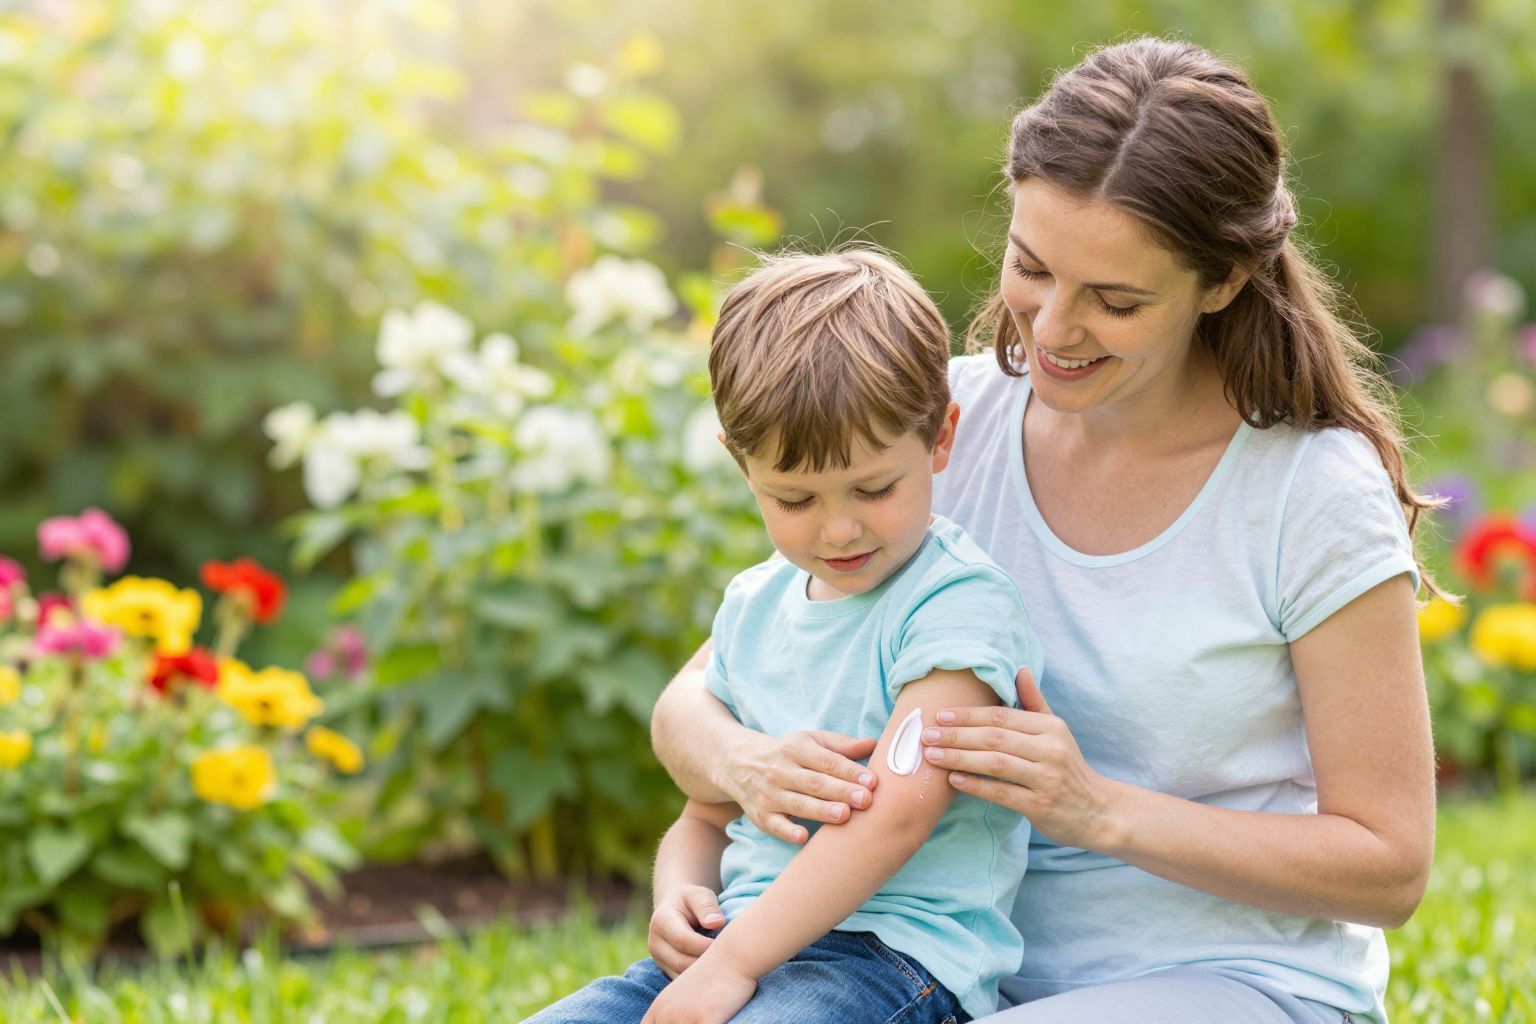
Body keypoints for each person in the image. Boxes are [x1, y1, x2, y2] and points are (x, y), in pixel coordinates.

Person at [647, 36, 1437, 1024]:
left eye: (1116, 300)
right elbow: (700, 693)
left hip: (1237, 984)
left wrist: (1097, 809)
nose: (1053, 328)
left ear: (1224, 281)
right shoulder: (945, 425)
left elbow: (1389, 865)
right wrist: (741, 764)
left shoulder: (1308, 492)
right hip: (942, 981)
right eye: (1031, 267)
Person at [525, 249, 1045, 1024]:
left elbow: (896, 819)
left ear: (940, 438)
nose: (839, 529)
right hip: (737, 944)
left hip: (890, 963)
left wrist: (736, 963)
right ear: (743, 468)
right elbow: (708, 812)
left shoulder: (957, 603)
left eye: (874, 487)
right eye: (795, 499)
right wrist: (681, 898)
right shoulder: (754, 606)